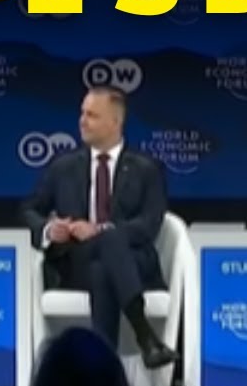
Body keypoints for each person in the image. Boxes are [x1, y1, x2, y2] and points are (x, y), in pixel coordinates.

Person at [20, 86, 177, 368]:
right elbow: (29, 209)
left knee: (103, 263)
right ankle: (145, 337)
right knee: (102, 254)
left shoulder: (147, 169)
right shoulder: (63, 167)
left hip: (132, 264)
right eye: (82, 113)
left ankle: (103, 370)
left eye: (92, 115)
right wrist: (49, 229)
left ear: (115, 122)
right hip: (75, 262)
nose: (82, 121)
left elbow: (148, 225)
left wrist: (100, 230)